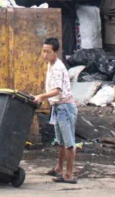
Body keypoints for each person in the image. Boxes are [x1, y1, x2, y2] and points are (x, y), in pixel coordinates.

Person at [33, 38, 78, 184]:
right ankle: (59, 167)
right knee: (60, 141)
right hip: (58, 107)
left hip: (65, 107)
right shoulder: (50, 64)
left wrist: (41, 96)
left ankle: (69, 174)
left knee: (69, 142)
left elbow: (57, 91)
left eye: (48, 52)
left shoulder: (58, 67)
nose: (45, 55)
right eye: (43, 51)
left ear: (55, 52)